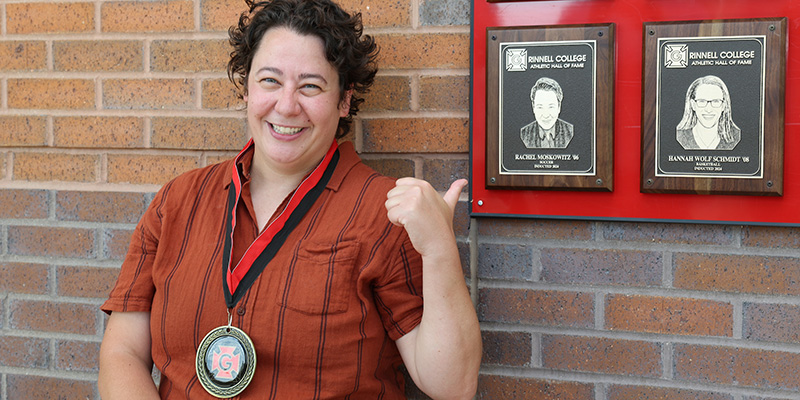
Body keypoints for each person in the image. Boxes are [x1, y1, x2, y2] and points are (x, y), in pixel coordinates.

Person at [97, 0, 481, 398]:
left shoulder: (386, 213)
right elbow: (122, 352)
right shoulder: (177, 202)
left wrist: (438, 249)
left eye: (310, 86)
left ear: (344, 100)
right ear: (246, 88)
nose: (286, 105)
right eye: (270, 81)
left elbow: (452, 386)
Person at [675, 75, 741, 150]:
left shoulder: (737, 138)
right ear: (693, 105)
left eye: (716, 101)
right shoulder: (679, 137)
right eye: (702, 101)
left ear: (723, 105)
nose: (709, 109)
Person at [520, 77, 574, 149]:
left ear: (559, 107)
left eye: (551, 107)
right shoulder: (523, 134)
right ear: (533, 107)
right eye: (540, 107)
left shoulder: (571, 132)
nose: (546, 115)